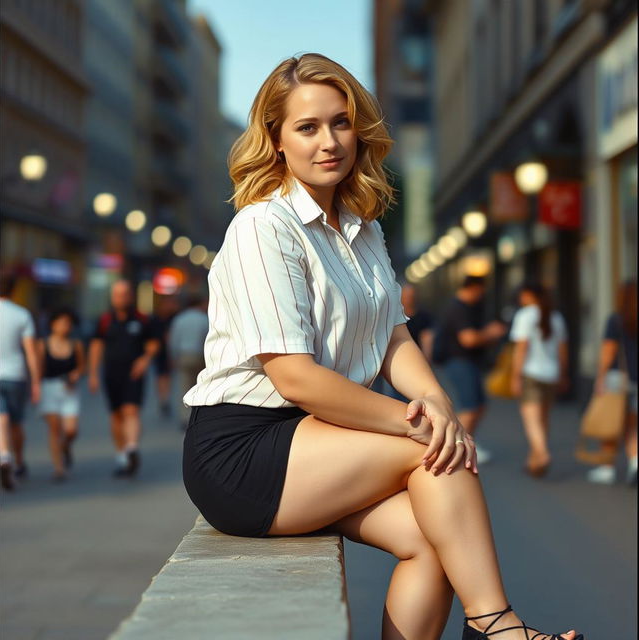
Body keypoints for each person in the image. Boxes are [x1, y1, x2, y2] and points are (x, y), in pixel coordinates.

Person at [181, 54, 582, 640]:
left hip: (323, 443)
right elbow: (294, 378)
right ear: (276, 139)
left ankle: (489, 623)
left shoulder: (362, 230)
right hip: (249, 446)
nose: (329, 142)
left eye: (341, 122)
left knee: (437, 542)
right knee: (432, 450)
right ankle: (499, 627)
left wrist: (436, 402)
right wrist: (416, 422)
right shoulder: (263, 227)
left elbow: (396, 337)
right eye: (307, 127)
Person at [88, 280, 160, 477]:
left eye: (124, 294)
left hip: (134, 373)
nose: (121, 298)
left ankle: (132, 448)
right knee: (116, 415)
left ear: (131, 296)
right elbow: (96, 346)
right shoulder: (104, 320)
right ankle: (122, 456)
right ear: (112, 297)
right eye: (117, 294)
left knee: (131, 410)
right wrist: (93, 373)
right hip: (111, 373)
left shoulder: (143, 319)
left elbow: (153, 343)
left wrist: (145, 360)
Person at [439, 275, 507, 464]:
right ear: (474, 288)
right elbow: (468, 339)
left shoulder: (464, 307)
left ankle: (465, 442)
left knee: (478, 405)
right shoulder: (459, 308)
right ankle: (456, 446)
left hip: (467, 362)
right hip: (460, 362)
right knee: (470, 407)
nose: (482, 295)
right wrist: (490, 333)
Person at [509, 283, 568, 477]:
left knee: (532, 419)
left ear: (529, 295)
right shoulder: (556, 316)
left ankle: (542, 453)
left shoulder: (525, 315)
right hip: (551, 373)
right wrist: (563, 374)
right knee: (543, 419)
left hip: (531, 373)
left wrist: (515, 376)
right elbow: (562, 350)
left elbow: (521, 348)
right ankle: (533, 460)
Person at [587, 280, 637, 485]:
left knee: (611, 422)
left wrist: (600, 379)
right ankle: (635, 463)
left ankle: (607, 468)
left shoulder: (616, 320)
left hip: (618, 378)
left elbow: (608, 351)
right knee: (633, 426)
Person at [0, 273, 40, 491]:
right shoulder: (22, 314)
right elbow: (31, 352)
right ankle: (19, 461)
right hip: (16, 375)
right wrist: (36, 383)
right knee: (16, 422)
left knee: (0, 417)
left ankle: (4, 455)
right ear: (14, 290)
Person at [37, 308, 85, 482]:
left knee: (71, 430)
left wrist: (76, 374)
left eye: (68, 323)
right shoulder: (43, 344)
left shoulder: (76, 344)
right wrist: (35, 387)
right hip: (49, 388)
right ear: (53, 325)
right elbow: (38, 368)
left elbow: (81, 366)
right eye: (61, 323)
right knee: (55, 429)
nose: (65, 326)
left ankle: (65, 447)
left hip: (70, 390)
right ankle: (59, 468)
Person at [168, 295, 208, 430]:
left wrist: (173, 356)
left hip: (183, 355)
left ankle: (185, 418)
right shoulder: (204, 318)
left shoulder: (179, 319)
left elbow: (173, 339)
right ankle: (199, 416)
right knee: (200, 386)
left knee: (184, 387)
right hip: (200, 355)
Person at [151, 296, 179, 418]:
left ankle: (165, 398)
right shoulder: (156, 319)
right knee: (162, 375)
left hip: (171, 350)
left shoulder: (174, 318)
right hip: (160, 351)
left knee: (167, 376)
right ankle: (163, 399)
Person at [402, 283, 434, 362]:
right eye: (406, 296)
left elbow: (427, 338)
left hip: (419, 357)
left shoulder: (424, 316)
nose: (409, 299)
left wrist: (425, 360)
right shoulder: (394, 317)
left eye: (411, 296)